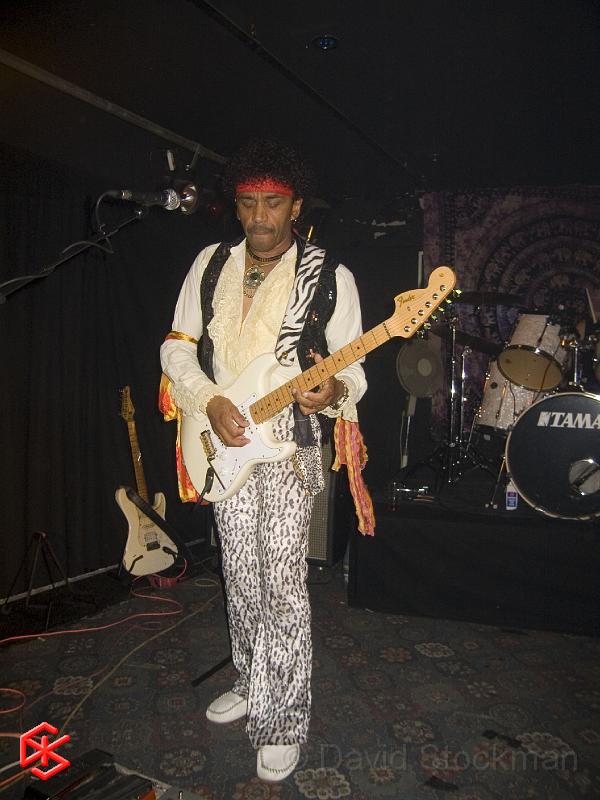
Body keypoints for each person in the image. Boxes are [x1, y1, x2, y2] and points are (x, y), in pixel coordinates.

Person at [160, 138, 367, 782]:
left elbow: (355, 373)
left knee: (280, 585)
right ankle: (253, 680)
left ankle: (284, 718)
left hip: (287, 448)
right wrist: (208, 399)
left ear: (296, 206)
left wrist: (332, 390)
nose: (258, 216)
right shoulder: (209, 263)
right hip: (222, 439)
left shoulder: (329, 277)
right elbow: (177, 348)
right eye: (247, 202)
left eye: (272, 203)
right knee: (240, 576)